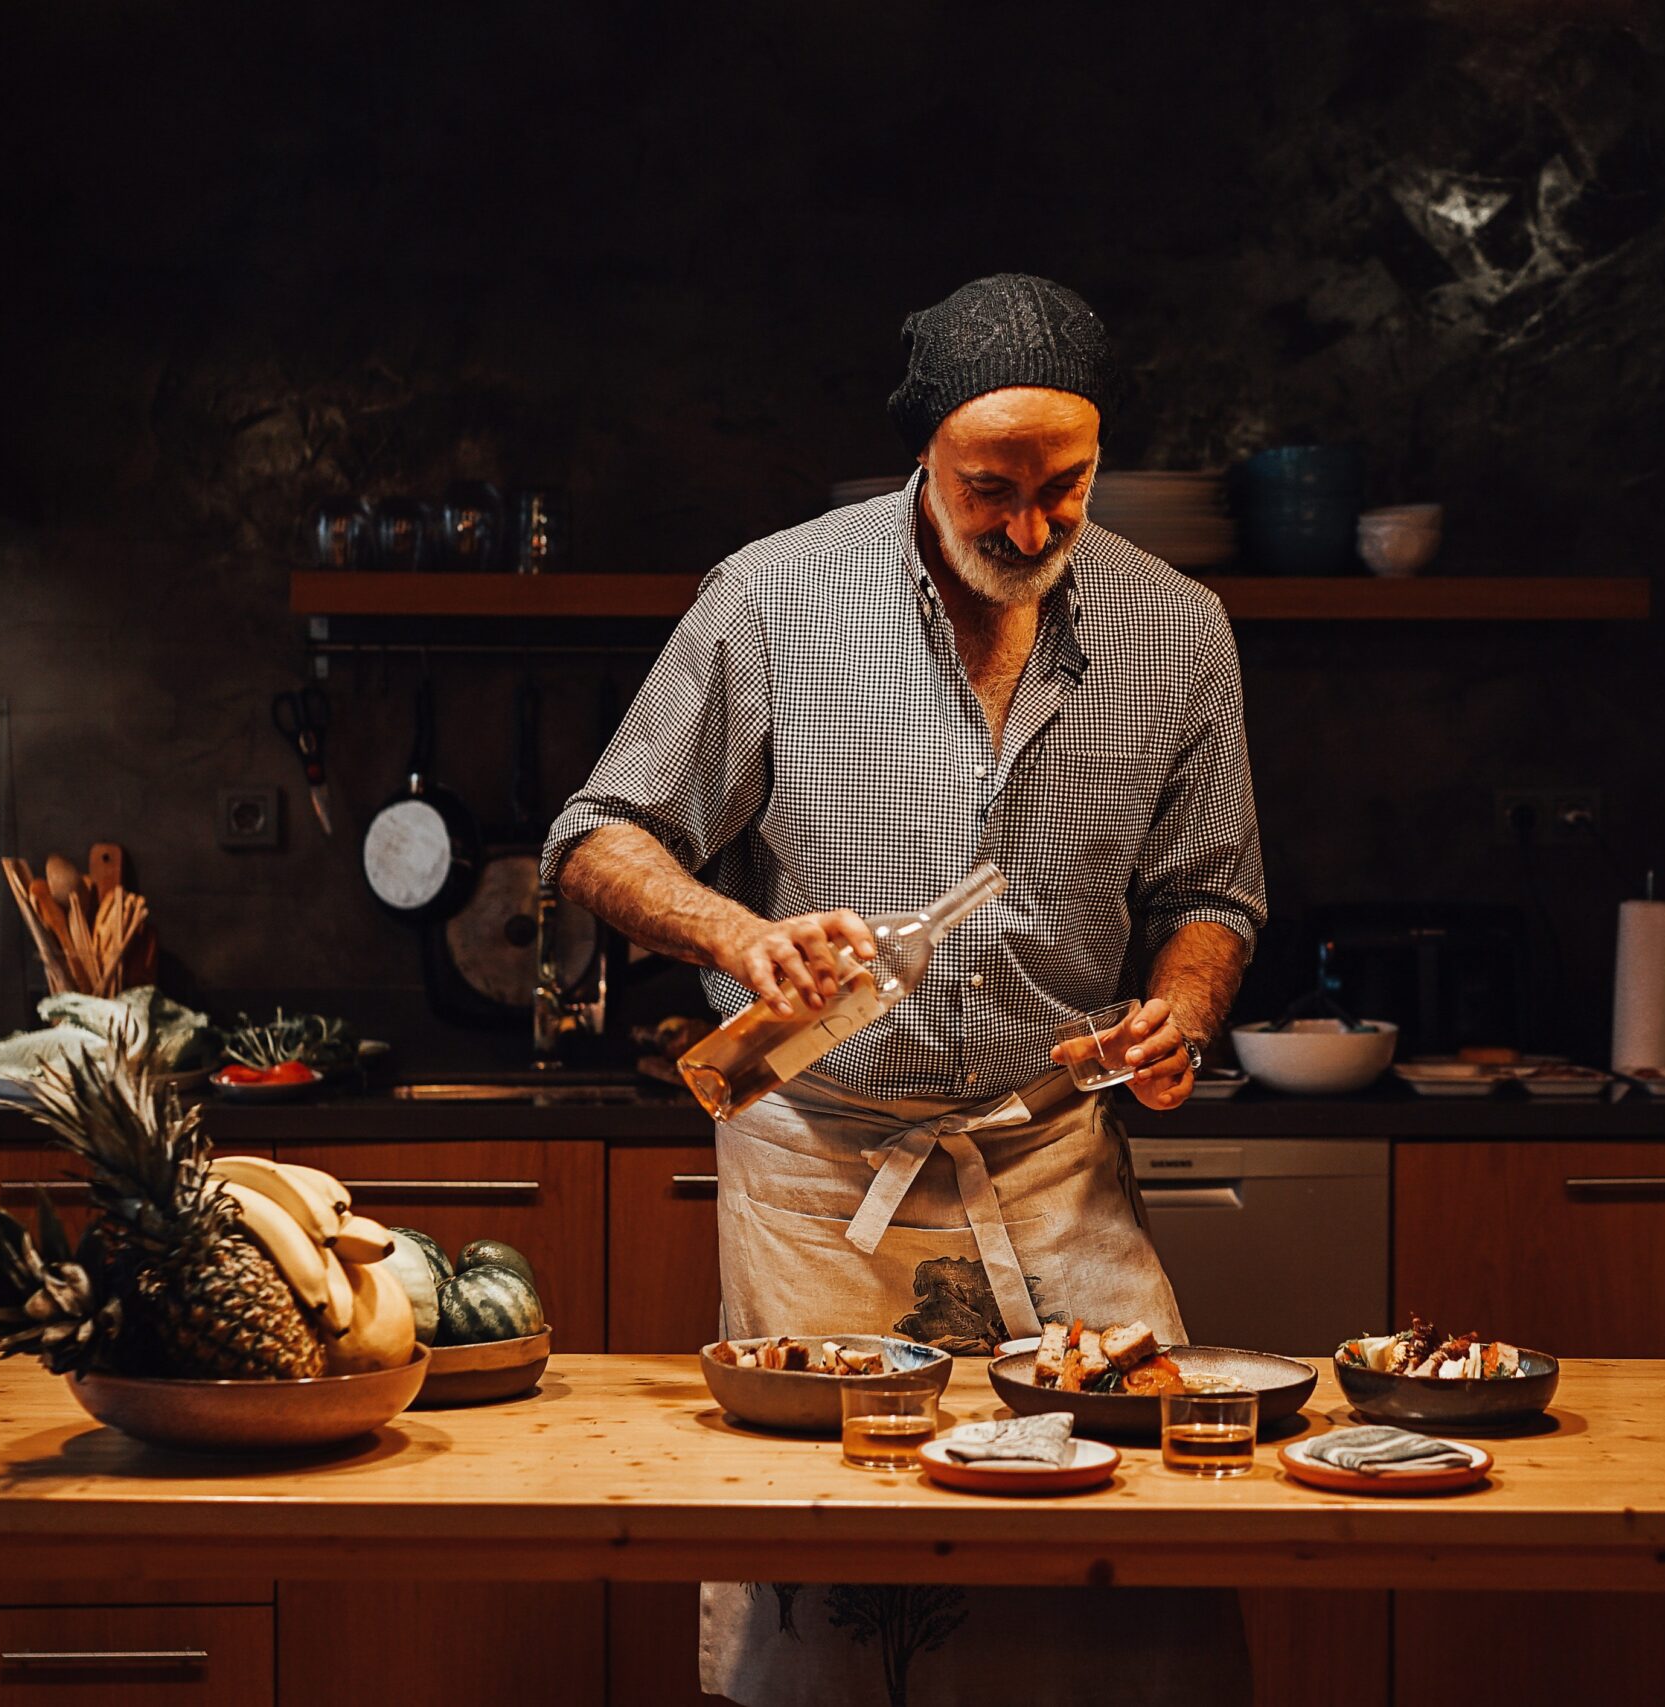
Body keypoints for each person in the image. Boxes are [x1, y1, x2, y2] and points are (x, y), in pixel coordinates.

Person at [543, 272, 1266, 1706]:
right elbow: (597, 837)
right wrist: (738, 937)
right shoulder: (773, 597)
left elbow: (1210, 896)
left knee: (1136, 1587)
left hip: (1054, 1163)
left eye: (1064, 487)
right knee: (832, 1618)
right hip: (823, 1179)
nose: (1029, 527)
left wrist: (1183, 1009)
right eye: (989, 487)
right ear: (924, 453)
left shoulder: (1178, 629)